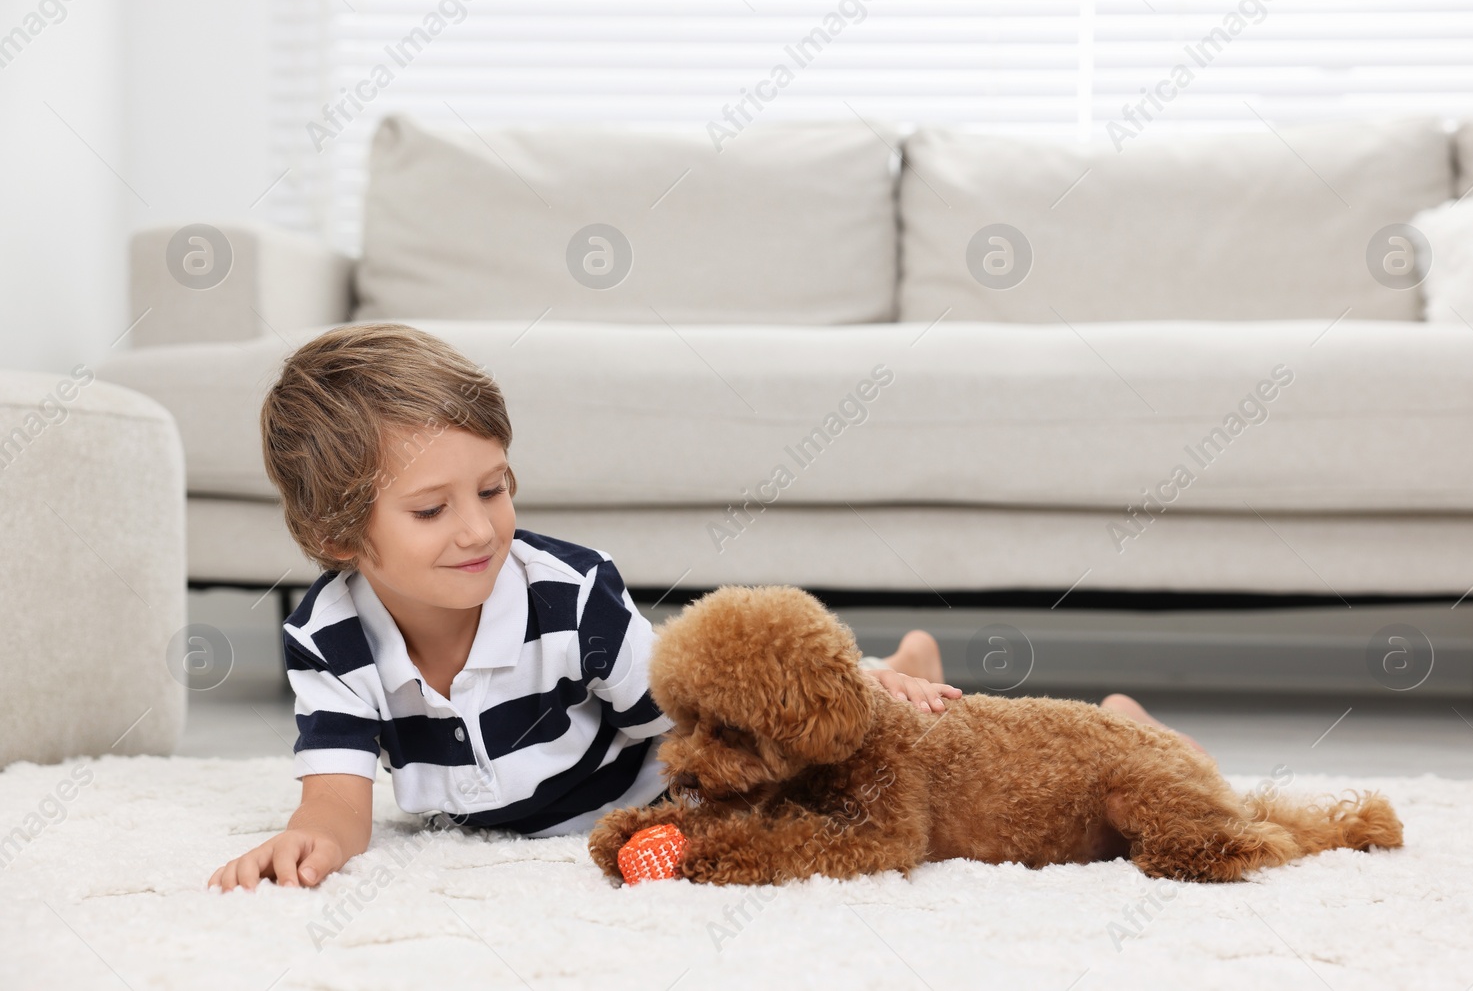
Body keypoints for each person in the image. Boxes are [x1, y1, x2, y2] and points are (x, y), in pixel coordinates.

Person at [208, 323, 961, 892]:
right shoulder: (327, 636)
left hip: (662, 784)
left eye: (493, 488)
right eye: (432, 509)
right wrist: (309, 843)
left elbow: (701, 721)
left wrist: (852, 689)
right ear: (339, 536)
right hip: (507, 821)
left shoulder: (569, 596)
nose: (478, 529)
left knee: (809, 776)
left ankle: (888, 672)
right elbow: (336, 801)